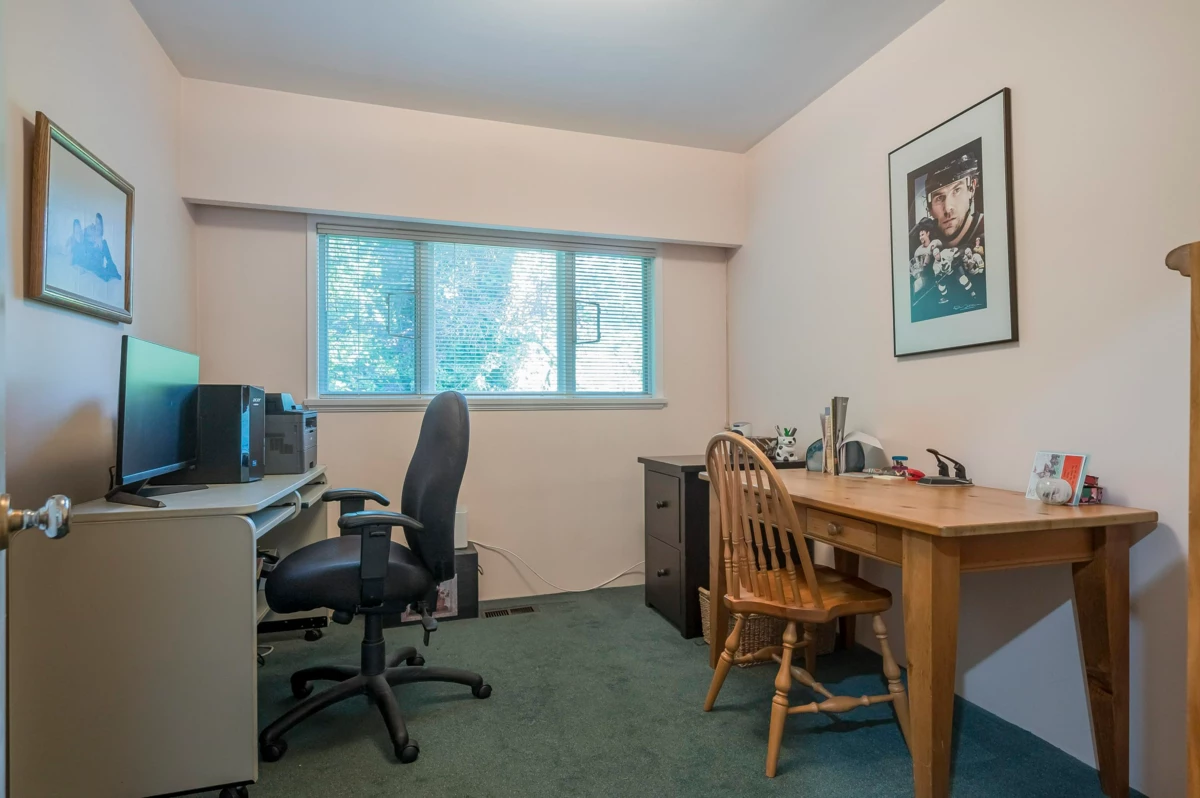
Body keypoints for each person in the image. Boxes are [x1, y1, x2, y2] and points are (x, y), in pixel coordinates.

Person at [926, 149, 984, 249]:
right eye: (939, 198)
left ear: (972, 188)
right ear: (930, 207)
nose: (948, 208)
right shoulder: (926, 241)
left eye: (956, 190)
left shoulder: (990, 230)